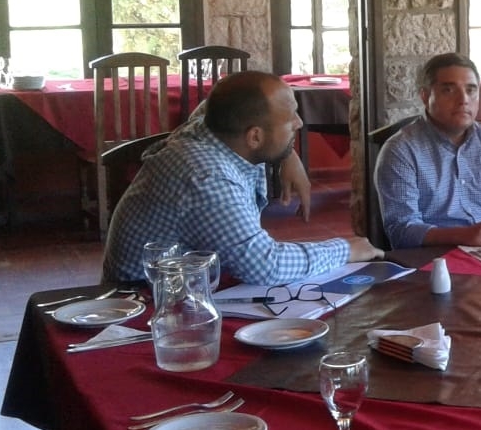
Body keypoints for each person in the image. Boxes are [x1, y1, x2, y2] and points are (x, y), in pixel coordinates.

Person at [103, 71, 382, 284]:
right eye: (291, 119)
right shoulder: (206, 175)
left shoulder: (214, 128)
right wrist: (345, 250)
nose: (299, 123)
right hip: (151, 304)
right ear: (255, 137)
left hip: (194, 284)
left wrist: (288, 154)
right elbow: (264, 265)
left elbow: (211, 104)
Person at [375, 53, 481, 248]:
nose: (463, 100)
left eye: (471, 90)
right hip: (435, 257)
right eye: (448, 90)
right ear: (425, 96)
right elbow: (401, 230)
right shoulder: (401, 151)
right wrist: (460, 235)